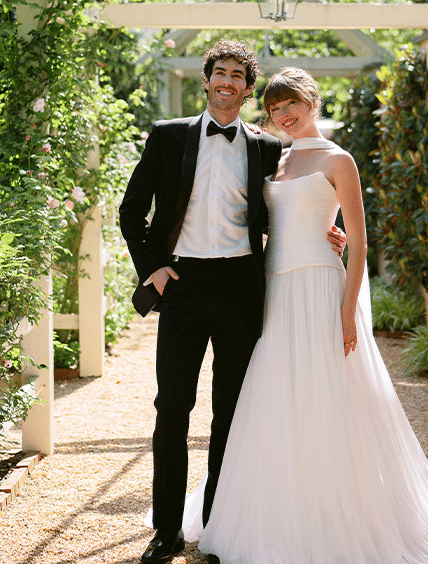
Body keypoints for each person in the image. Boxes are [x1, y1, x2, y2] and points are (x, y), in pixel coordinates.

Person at [181, 67, 428, 564]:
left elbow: (359, 241)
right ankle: (281, 506)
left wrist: (347, 310)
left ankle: (336, 510)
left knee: (329, 393)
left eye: (292, 104)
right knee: (278, 392)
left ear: (311, 102)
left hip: (319, 287)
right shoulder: (274, 157)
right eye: (275, 108)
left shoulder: (338, 159)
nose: (284, 114)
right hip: (274, 289)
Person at [119, 43, 345, 564]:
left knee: (232, 413)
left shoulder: (267, 147)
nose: (226, 81)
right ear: (207, 81)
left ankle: (220, 528)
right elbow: (131, 210)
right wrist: (152, 267)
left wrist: (327, 231)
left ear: (247, 88)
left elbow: (297, 197)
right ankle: (167, 531)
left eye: (237, 75)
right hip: (182, 283)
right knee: (171, 409)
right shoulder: (168, 135)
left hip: (242, 288)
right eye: (219, 73)